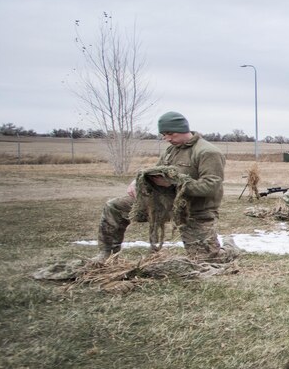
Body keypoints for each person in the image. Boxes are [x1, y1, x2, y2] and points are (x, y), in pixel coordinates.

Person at [96, 111, 229, 261]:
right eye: (164, 135)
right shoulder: (171, 149)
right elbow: (157, 170)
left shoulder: (208, 152)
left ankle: (230, 249)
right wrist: (137, 181)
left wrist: (174, 183)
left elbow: (210, 186)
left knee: (207, 260)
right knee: (114, 207)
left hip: (195, 211)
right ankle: (106, 255)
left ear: (183, 130)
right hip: (163, 203)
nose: (167, 139)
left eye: (171, 134)